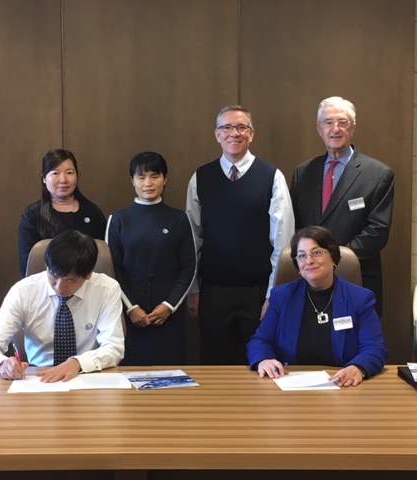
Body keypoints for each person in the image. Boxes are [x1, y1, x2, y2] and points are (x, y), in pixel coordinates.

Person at [186, 105, 294, 365]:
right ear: (217, 135)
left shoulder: (271, 177)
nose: (234, 133)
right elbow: (192, 240)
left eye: (241, 127)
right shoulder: (200, 178)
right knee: (214, 364)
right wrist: (193, 290)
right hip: (213, 292)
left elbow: (283, 242)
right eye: (227, 127)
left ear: (252, 134)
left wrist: (273, 295)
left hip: (258, 293)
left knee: (260, 363)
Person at [291, 97, 394, 316]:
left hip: (357, 279)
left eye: (342, 122)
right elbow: (297, 226)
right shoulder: (303, 173)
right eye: (328, 122)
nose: (335, 129)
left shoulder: (378, 174)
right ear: (319, 129)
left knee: (355, 345)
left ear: (353, 128)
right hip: (311, 282)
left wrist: (334, 260)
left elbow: (377, 231)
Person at [247, 226, 388, 387]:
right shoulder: (282, 296)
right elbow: (260, 341)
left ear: (333, 258)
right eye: (301, 256)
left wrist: (358, 367)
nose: (309, 261)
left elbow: (375, 348)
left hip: (343, 385)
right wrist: (264, 360)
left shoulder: (360, 298)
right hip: (289, 384)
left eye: (317, 252)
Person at [0, 230, 125, 383]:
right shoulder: (23, 291)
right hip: (38, 378)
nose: (59, 287)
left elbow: (114, 347)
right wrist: (1, 364)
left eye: (70, 280)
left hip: (86, 375)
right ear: (46, 265)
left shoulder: (107, 289)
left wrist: (77, 363)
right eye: (53, 275)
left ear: (88, 275)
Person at [106, 152, 196, 365]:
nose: (148, 183)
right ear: (132, 181)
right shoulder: (119, 220)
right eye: (141, 177)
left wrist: (169, 306)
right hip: (130, 316)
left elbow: (188, 266)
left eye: (155, 176)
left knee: (171, 379)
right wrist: (131, 308)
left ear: (165, 179)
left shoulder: (179, 219)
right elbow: (112, 270)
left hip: (168, 316)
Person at [18, 149, 107, 276]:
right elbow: (28, 264)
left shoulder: (92, 212)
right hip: (47, 288)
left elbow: (102, 260)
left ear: (77, 175)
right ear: (44, 178)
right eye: (55, 173)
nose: (63, 180)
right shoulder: (33, 215)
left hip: (87, 286)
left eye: (69, 172)